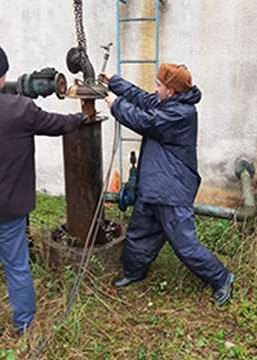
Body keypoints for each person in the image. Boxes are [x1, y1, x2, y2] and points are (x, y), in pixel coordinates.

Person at [100, 64, 234, 305]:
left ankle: (222, 277)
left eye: (159, 85)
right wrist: (113, 81)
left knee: (184, 245)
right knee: (140, 233)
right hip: (153, 186)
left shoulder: (181, 114)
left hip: (171, 190)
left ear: (170, 91)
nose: (155, 88)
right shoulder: (168, 103)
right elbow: (141, 98)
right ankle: (134, 272)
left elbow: (145, 120)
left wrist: (115, 104)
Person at [0, 40, 86, 333]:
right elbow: (60, 124)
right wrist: (83, 117)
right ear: (3, 75)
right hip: (9, 209)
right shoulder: (21, 109)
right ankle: (25, 327)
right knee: (17, 268)